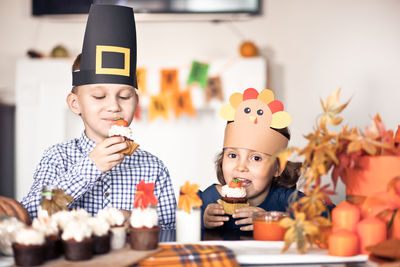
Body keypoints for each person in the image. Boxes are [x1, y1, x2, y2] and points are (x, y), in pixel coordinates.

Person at [21, 4, 176, 229]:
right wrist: (90, 167)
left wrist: (137, 220)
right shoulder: (58, 158)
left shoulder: (153, 167)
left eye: (124, 96)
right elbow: (29, 214)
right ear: (75, 104)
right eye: (99, 96)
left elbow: (171, 230)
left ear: (136, 102)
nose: (113, 106)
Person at [200, 88, 303, 231]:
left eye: (256, 158)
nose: (241, 167)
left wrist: (275, 220)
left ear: (277, 168)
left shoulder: (286, 199)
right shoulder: (208, 199)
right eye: (233, 155)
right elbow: (179, 224)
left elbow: (325, 217)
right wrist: (201, 222)